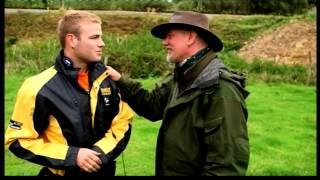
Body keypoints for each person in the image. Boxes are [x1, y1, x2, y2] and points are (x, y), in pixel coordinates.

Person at [106, 11, 250, 176]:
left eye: (170, 36)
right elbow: (152, 105)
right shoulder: (183, 74)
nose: (164, 42)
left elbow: (226, 166)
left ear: (190, 37)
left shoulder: (221, 87)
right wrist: (119, 80)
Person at [4, 10, 134, 176]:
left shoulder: (109, 78)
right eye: (94, 37)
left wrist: (97, 154)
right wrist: (73, 156)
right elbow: (17, 140)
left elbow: (122, 123)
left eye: (101, 37)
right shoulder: (37, 87)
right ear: (71, 40)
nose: (102, 43)